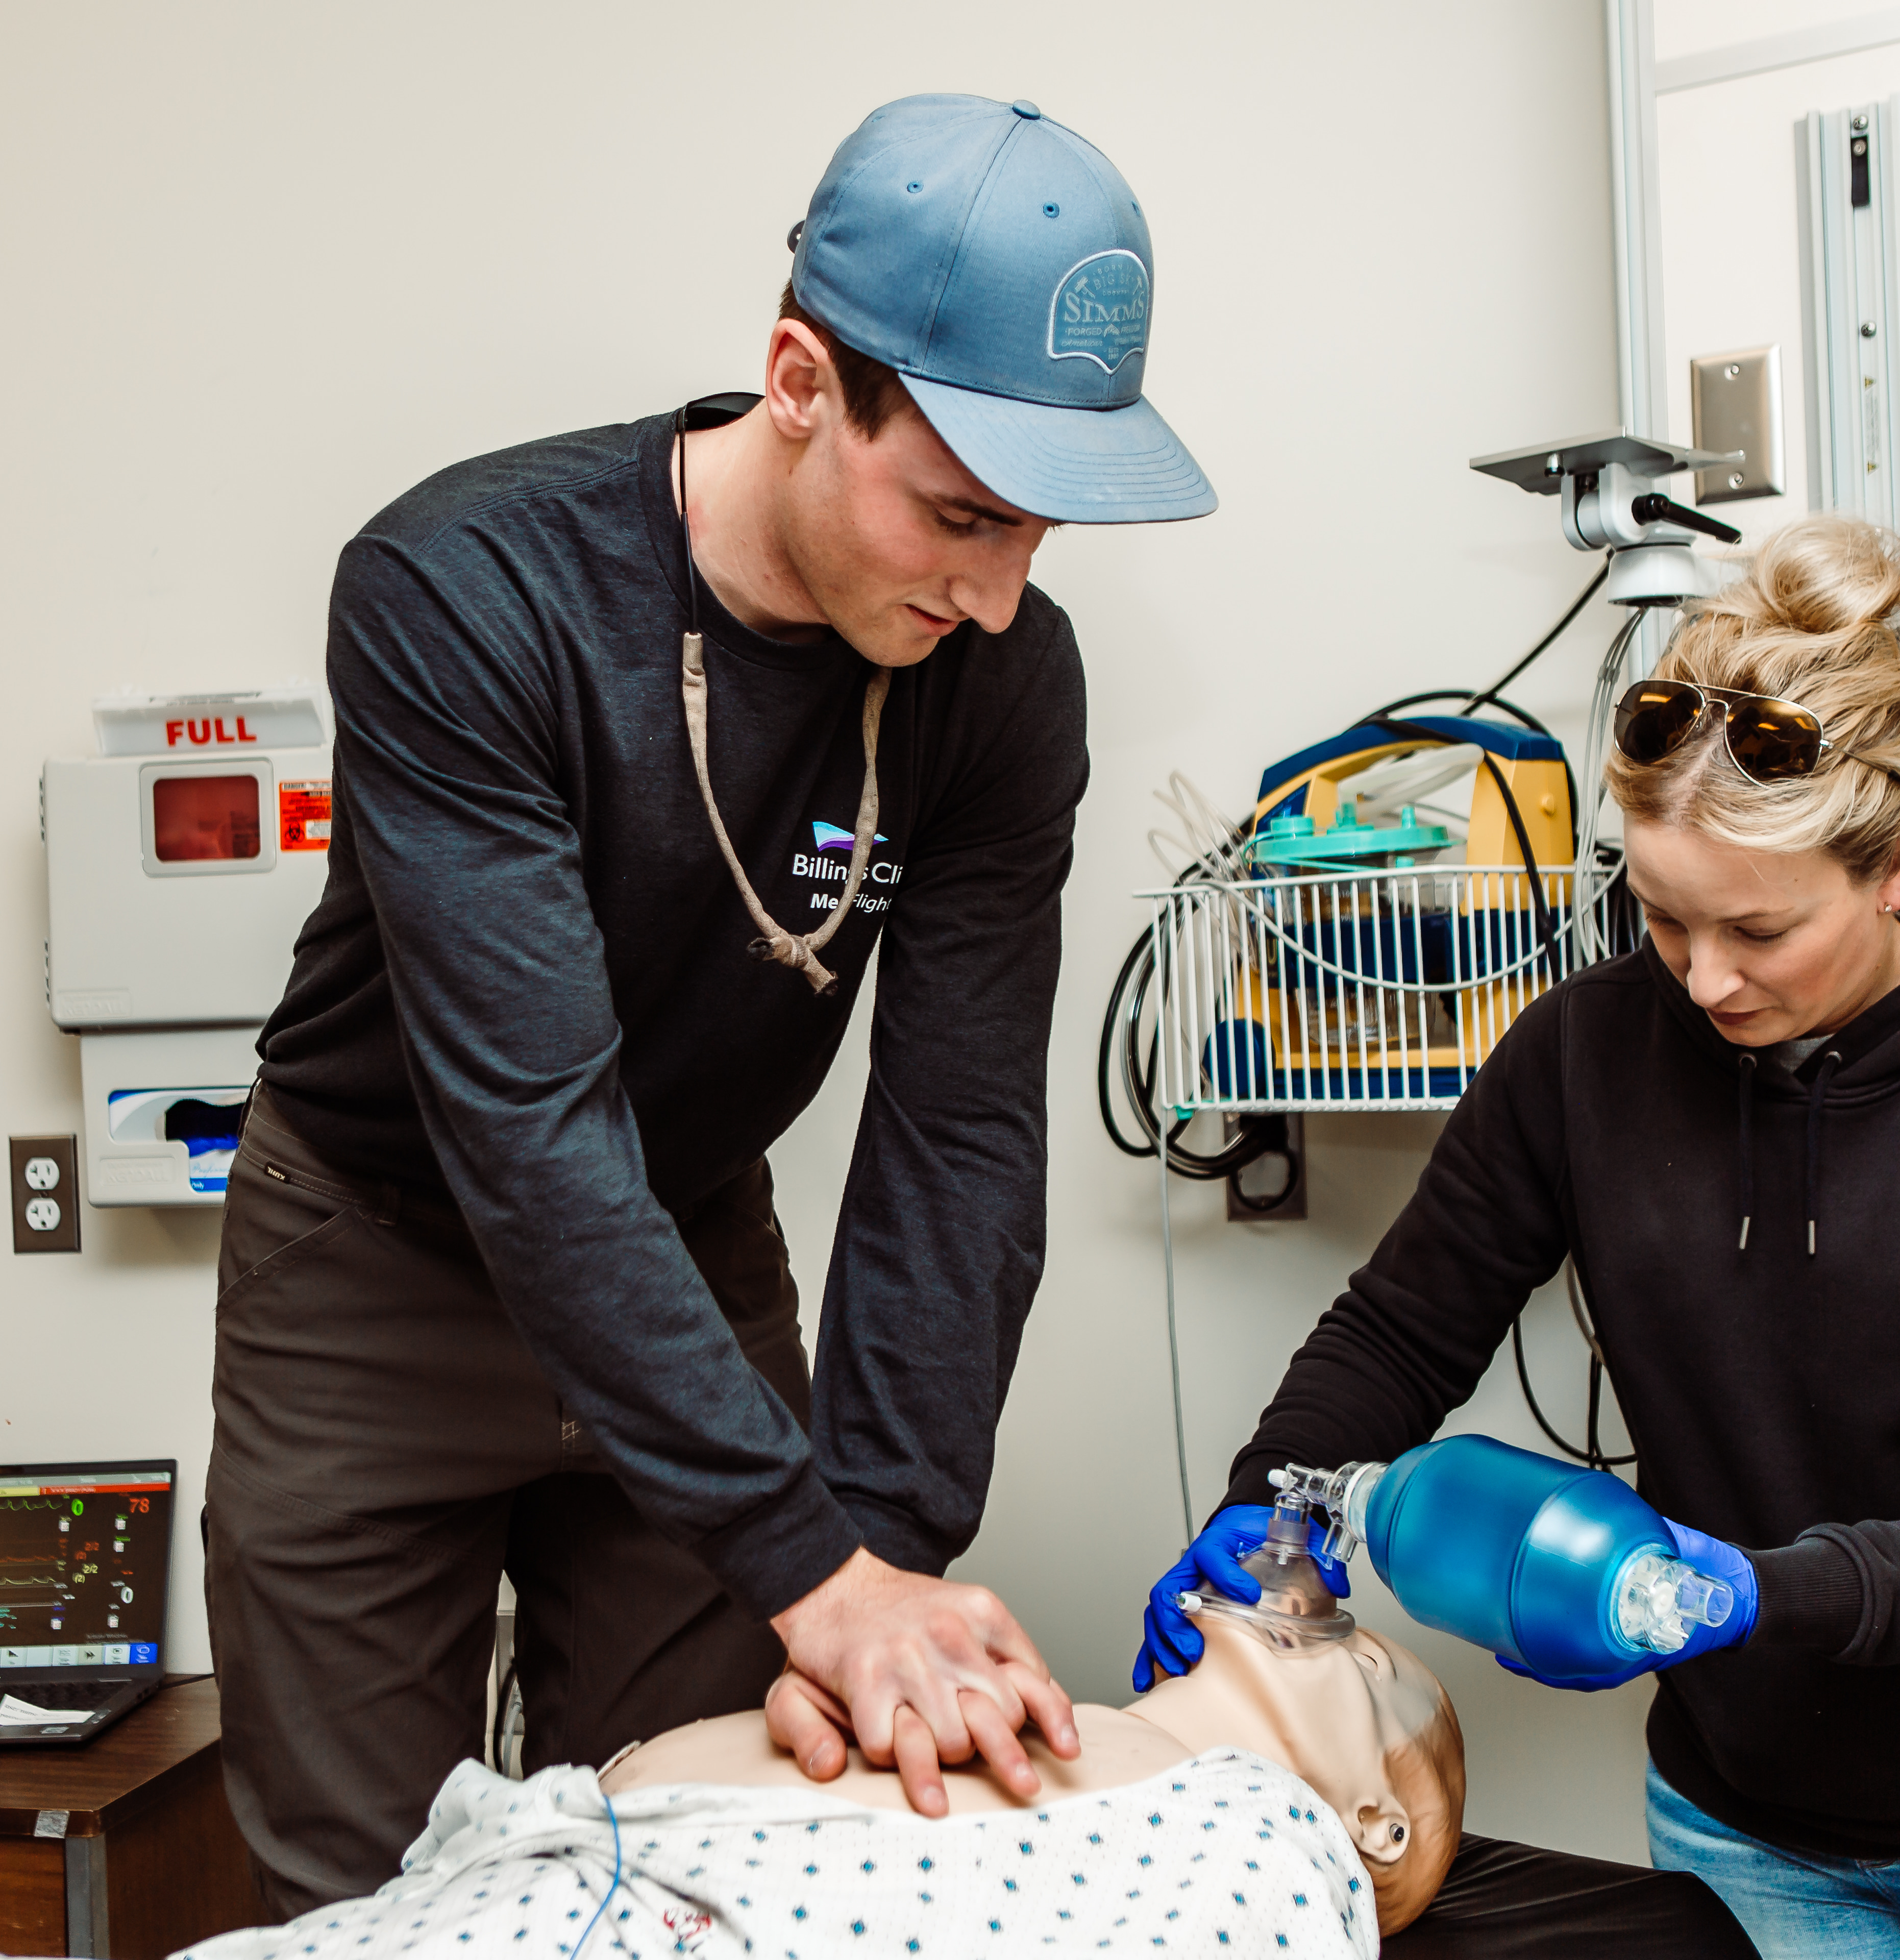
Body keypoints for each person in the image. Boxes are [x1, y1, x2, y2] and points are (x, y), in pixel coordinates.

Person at [208, 93, 1217, 1913]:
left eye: (1041, 537)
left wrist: (878, 1558)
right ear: (803, 380)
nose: (996, 598)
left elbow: (961, 1133)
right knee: (365, 1905)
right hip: (379, 1259)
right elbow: (529, 1134)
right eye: (963, 516)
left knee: (710, 1858)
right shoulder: (464, 593)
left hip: (687, 1230)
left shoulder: (1001, 684)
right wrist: (809, 1568)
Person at [1140, 514, 1900, 1956]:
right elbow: (1404, 1327)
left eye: (1760, 931)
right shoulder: (1582, 1056)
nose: (1706, 979)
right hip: (1747, 1830)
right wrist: (1269, 1500)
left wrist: (1749, 1596)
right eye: (1662, 919)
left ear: (1899, 867)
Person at [171, 1574, 1758, 1959]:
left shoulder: (1263, 1843)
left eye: (1353, 1659)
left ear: (1369, 1823)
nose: (1312, 1608)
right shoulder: (1030, 1713)